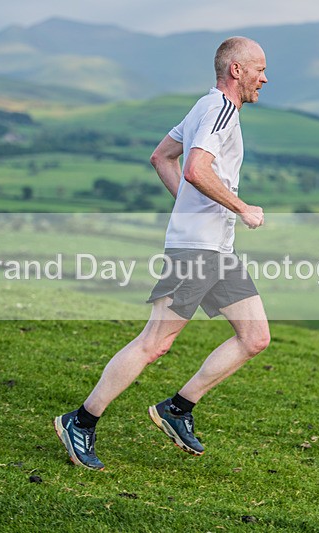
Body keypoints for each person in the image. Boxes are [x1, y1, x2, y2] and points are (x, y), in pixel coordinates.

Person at [54, 36, 270, 470]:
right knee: (154, 343)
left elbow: (161, 157)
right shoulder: (221, 110)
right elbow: (193, 169)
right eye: (259, 69)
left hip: (215, 248)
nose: (264, 78)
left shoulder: (205, 106)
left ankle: (178, 408)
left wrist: (189, 207)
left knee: (255, 337)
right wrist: (241, 206)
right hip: (197, 250)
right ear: (236, 71)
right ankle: (79, 421)